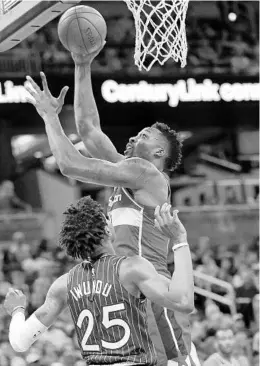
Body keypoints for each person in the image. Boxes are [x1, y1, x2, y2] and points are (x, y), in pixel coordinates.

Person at [24, 61, 198, 364]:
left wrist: (50, 117)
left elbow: (70, 165)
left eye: (144, 136)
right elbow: (89, 130)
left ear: (159, 154)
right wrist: (81, 62)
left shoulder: (144, 172)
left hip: (154, 294)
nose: (134, 138)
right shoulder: (128, 172)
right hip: (131, 290)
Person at [4, 196, 194, 366]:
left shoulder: (63, 284)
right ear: (106, 230)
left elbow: (19, 342)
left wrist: (17, 310)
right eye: (108, 219)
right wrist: (179, 240)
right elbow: (184, 302)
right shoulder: (131, 268)